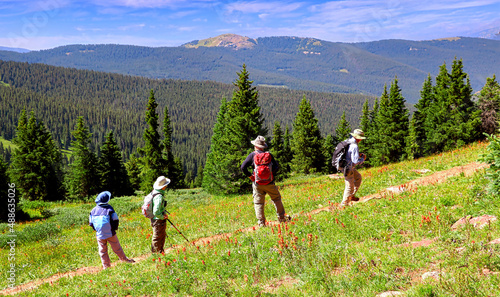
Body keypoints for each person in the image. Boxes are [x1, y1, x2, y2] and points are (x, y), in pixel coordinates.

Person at [241, 136, 290, 227]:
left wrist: (251, 176)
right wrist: (270, 175)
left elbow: (243, 167)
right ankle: (282, 218)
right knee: (276, 199)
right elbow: (276, 167)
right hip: (269, 183)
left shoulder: (252, 155)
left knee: (259, 202)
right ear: (263, 146)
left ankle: (261, 223)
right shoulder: (269, 155)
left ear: (255, 146)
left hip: (257, 183)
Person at [89, 191, 135, 269]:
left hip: (100, 234)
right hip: (110, 233)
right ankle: (124, 260)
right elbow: (115, 220)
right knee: (117, 248)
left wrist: (97, 230)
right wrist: (114, 229)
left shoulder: (93, 210)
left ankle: (106, 266)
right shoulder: (109, 209)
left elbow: (91, 223)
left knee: (102, 251)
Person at [340, 129, 366, 206]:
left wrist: (358, 155)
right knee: (349, 186)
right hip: (348, 167)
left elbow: (349, 154)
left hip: (344, 165)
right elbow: (355, 161)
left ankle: (351, 196)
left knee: (358, 177)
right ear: (358, 138)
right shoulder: (354, 146)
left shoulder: (348, 142)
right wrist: (362, 159)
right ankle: (344, 203)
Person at [149, 176, 171, 253]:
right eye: (165, 185)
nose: (166, 186)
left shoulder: (154, 192)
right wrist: (162, 216)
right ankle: (156, 253)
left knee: (160, 235)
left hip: (154, 219)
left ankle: (159, 251)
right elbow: (156, 211)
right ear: (163, 186)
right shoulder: (159, 196)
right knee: (158, 236)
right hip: (158, 219)